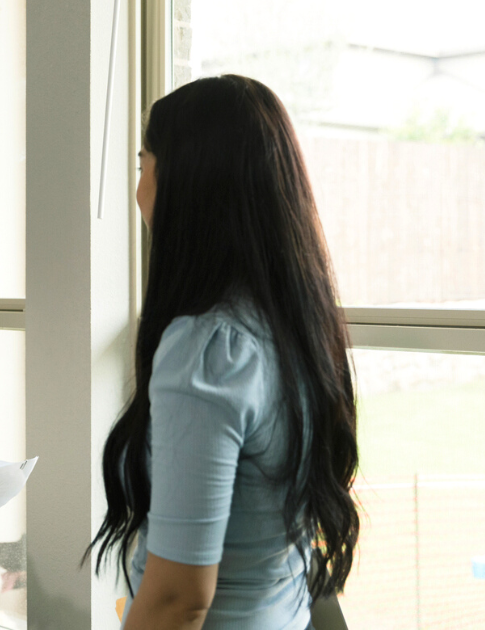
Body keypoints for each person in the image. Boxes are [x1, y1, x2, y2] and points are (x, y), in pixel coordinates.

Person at [87, 75, 361, 630]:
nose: (139, 187)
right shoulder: (293, 324)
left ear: (186, 184)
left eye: (144, 165)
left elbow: (178, 599)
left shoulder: (209, 348)